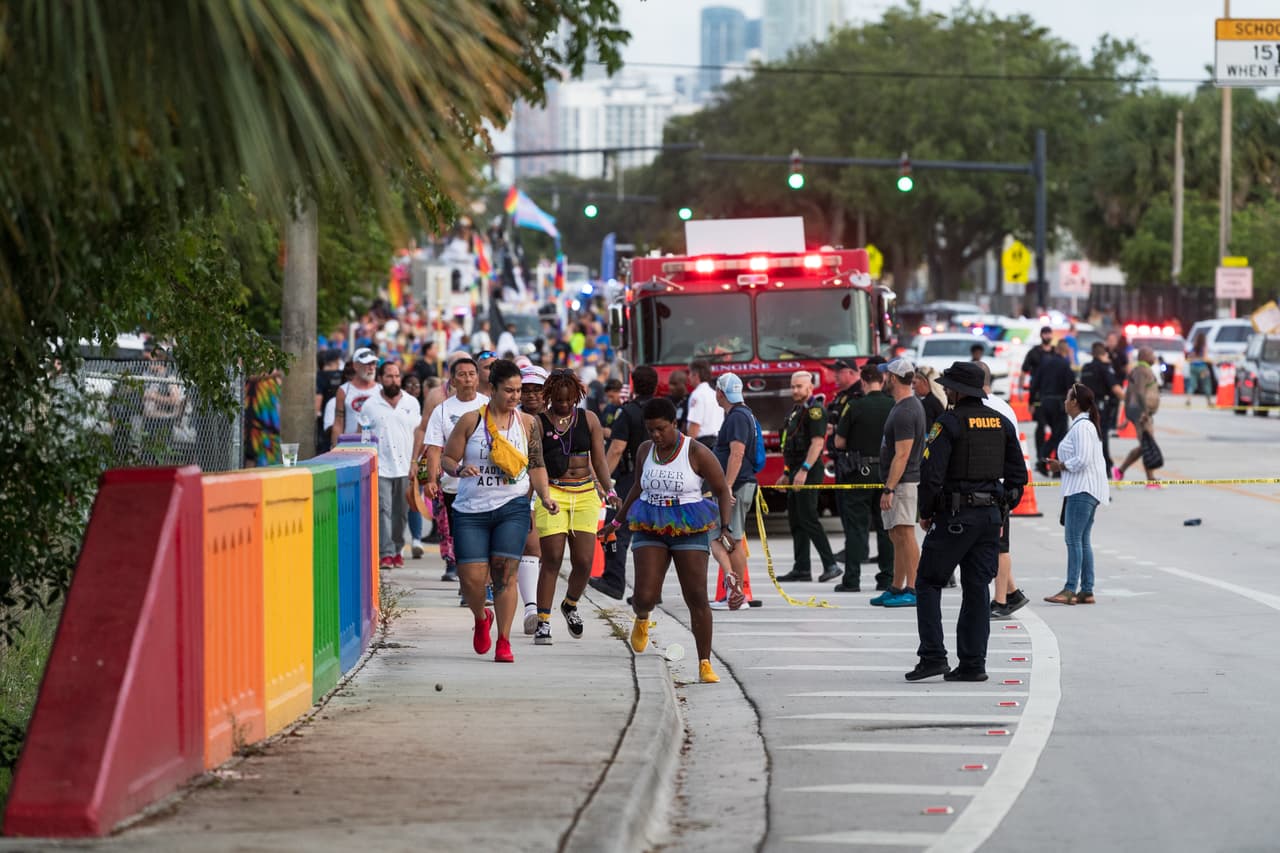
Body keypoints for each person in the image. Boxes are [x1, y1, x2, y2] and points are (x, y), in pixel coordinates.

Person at [907, 361, 1027, 682]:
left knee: (928, 582)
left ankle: (933, 656)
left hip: (955, 516)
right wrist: (1001, 507)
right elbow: (1018, 477)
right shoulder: (1001, 422)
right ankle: (973, 664)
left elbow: (932, 475)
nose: (945, 389)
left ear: (959, 391)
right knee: (977, 589)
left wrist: (926, 512)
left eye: (948, 386)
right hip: (989, 519)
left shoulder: (948, 423)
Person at [604, 397, 733, 683]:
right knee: (644, 596)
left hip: (689, 524)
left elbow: (722, 490)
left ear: (675, 424)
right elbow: (637, 487)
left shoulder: (696, 451)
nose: (655, 435)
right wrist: (616, 522)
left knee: (696, 596)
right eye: (650, 429)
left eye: (661, 429)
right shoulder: (645, 450)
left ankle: (704, 663)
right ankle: (642, 618)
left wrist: (725, 528)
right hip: (650, 522)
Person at [441, 359, 559, 664]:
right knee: (471, 580)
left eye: (518, 390)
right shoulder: (470, 421)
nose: (515, 396)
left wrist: (545, 496)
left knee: (505, 573)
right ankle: (482, 618)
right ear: (492, 389)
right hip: (471, 510)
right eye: (509, 390)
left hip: (512, 507)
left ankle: (504, 641)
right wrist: (458, 469)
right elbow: (447, 458)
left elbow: (536, 465)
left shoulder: (528, 424)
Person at [533, 369, 617, 645]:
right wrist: (539, 496)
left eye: (569, 400)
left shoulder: (588, 419)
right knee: (552, 558)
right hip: (552, 493)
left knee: (583, 561)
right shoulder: (538, 422)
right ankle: (543, 621)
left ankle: (570, 604)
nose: (564, 404)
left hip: (584, 494)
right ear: (550, 397)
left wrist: (609, 490)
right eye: (559, 400)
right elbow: (535, 464)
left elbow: (600, 460)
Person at [590, 366, 659, 599]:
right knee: (651, 537)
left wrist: (603, 481)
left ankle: (614, 580)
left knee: (616, 530)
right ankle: (651, 591)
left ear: (633, 385)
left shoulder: (628, 412)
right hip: (658, 479)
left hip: (630, 479)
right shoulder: (662, 409)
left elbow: (617, 449)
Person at [420, 356, 490, 581]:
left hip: (484, 484)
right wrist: (431, 480)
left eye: (471, 374)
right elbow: (434, 448)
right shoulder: (442, 411)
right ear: (452, 380)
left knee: (484, 535)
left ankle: (480, 581)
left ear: (478, 378)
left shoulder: (489, 406)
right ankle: (465, 579)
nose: (468, 379)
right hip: (453, 485)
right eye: (462, 374)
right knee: (460, 535)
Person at [1044, 383, 1110, 605]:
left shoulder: (1082, 427)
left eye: (1067, 398)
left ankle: (1070, 589)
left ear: (1074, 402)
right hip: (1086, 489)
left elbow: (1082, 459)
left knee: (1073, 539)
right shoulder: (1084, 425)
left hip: (1082, 489)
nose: (1064, 402)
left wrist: (1060, 465)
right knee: (1082, 540)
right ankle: (1087, 590)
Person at [832, 365, 895, 593]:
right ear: (883, 380)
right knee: (885, 527)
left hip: (859, 472)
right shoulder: (893, 404)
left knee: (856, 527)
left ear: (863, 382)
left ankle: (852, 579)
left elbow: (839, 442)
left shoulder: (855, 405)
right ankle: (886, 578)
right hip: (887, 472)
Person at [870, 358, 926, 608]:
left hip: (903, 482)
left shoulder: (906, 411)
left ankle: (914, 589)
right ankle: (897, 586)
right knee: (896, 534)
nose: (883, 379)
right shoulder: (902, 406)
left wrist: (889, 488)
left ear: (893, 378)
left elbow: (902, 454)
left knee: (905, 533)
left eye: (886, 375)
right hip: (899, 481)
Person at [974, 363, 1029, 619]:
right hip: (1001, 483)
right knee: (994, 543)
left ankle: (1001, 600)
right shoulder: (1004, 406)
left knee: (999, 546)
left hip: (996, 485)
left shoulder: (987, 407)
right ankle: (1012, 592)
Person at [776, 370, 840, 584]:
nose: (795, 390)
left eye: (799, 386)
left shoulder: (815, 411)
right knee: (796, 519)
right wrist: (787, 473)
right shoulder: (796, 411)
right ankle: (801, 568)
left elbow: (817, 443)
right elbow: (789, 446)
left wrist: (803, 470)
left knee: (808, 518)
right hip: (796, 470)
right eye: (793, 386)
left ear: (810, 388)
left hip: (809, 470)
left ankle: (831, 565)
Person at [709, 373, 759, 610]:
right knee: (724, 538)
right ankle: (734, 592)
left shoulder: (737, 417)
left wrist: (726, 486)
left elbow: (737, 453)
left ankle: (737, 595)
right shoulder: (741, 414)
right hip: (736, 486)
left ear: (720, 393)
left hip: (735, 487)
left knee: (732, 539)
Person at [366, 361, 421, 568]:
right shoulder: (370, 404)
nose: (394, 380)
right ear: (380, 379)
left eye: (397, 376)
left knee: (401, 513)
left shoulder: (411, 403)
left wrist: (415, 461)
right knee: (383, 510)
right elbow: (363, 435)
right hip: (380, 466)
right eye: (389, 376)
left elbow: (418, 434)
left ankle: (397, 549)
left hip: (405, 466)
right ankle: (386, 553)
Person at [1116, 346, 1162, 486]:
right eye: (1152, 354)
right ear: (1144, 356)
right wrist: (1145, 412)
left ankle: (1121, 471)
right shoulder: (1142, 371)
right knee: (1147, 445)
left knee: (1145, 445)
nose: (1154, 357)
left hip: (1140, 413)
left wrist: (1127, 417)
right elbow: (1140, 393)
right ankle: (1149, 479)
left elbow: (1129, 394)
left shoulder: (1137, 371)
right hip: (1142, 415)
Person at [1079, 342, 1125, 479]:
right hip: (1101, 408)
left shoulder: (1086, 368)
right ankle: (1105, 467)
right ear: (1103, 354)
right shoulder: (1105, 368)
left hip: (1086, 408)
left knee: (1089, 438)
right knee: (1101, 438)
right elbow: (1116, 388)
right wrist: (1128, 400)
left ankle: (1090, 467)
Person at [1029, 340, 1075, 475]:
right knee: (1060, 436)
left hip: (1044, 403)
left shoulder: (1044, 363)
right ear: (1065, 351)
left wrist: (1031, 402)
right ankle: (1047, 464)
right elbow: (1071, 388)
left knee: (1055, 434)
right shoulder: (1065, 365)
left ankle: (1045, 462)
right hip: (1058, 403)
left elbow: (1034, 383)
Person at [1021, 326, 1056, 466]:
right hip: (1038, 395)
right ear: (1041, 335)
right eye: (1045, 333)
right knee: (1041, 426)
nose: (1047, 336)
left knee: (1056, 428)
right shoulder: (1034, 353)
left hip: (1054, 394)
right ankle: (1040, 457)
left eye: (1049, 333)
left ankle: (1049, 456)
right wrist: (1021, 392)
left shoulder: (1055, 352)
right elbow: (1024, 371)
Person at [331, 347, 379, 446]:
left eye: (373, 363)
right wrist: (335, 448)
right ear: (356, 366)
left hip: (376, 446)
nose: (371, 368)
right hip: (351, 446)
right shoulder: (344, 390)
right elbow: (338, 422)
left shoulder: (381, 390)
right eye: (367, 364)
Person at [685, 359, 724, 445]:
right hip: (718, 442)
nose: (688, 377)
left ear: (696, 375)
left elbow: (694, 425)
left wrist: (687, 447)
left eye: (690, 373)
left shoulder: (697, 395)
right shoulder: (714, 394)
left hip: (702, 444)